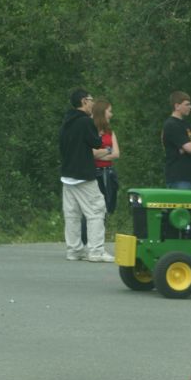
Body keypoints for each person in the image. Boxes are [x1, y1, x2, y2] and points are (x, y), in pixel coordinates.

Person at [59, 88, 114, 263]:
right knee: (96, 210)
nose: (93, 103)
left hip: (67, 175)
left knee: (72, 214)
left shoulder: (66, 122)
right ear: (84, 101)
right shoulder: (85, 122)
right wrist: (99, 136)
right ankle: (96, 251)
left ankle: (74, 250)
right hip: (83, 174)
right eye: (91, 100)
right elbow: (96, 143)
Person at [81, 99, 120, 245]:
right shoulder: (91, 130)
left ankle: (97, 239)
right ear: (102, 112)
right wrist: (107, 151)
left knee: (106, 206)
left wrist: (101, 153)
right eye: (109, 111)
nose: (111, 114)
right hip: (95, 172)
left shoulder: (110, 132)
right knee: (92, 207)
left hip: (108, 172)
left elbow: (116, 154)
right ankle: (86, 239)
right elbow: (90, 153)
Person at [162, 91, 191, 189]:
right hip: (178, 177)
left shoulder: (187, 125)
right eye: (187, 104)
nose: (190, 107)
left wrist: (188, 147)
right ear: (177, 106)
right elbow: (190, 149)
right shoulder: (171, 125)